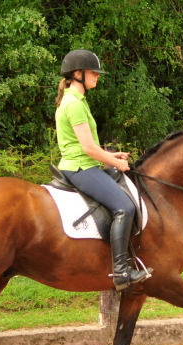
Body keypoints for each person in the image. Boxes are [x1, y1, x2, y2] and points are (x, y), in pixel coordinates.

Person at [54, 49, 151, 291]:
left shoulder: (76, 101)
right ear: (78, 74)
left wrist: (110, 155)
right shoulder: (74, 104)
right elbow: (87, 148)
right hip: (80, 167)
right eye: (93, 72)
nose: (97, 76)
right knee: (125, 206)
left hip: (82, 163)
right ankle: (121, 271)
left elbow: (86, 144)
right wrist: (117, 163)